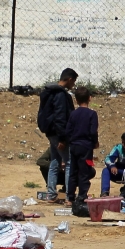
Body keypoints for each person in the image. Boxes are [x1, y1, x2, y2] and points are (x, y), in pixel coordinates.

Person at [37, 68, 78, 203]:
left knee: (55, 161)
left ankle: (51, 194)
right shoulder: (60, 95)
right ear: (70, 79)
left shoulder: (48, 92)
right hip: (58, 133)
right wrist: (62, 137)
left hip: (50, 131)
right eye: (74, 82)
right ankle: (68, 196)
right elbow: (61, 117)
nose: (73, 85)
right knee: (69, 162)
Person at [66, 87, 99, 204]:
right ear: (90, 98)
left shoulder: (73, 114)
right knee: (84, 171)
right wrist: (95, 142)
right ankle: (82, 196)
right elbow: (92, 131)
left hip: (74, 146)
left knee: (73, 171)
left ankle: (70, 198)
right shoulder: (92, 114)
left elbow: (68, 130)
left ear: (76, 100)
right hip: (86, 147)